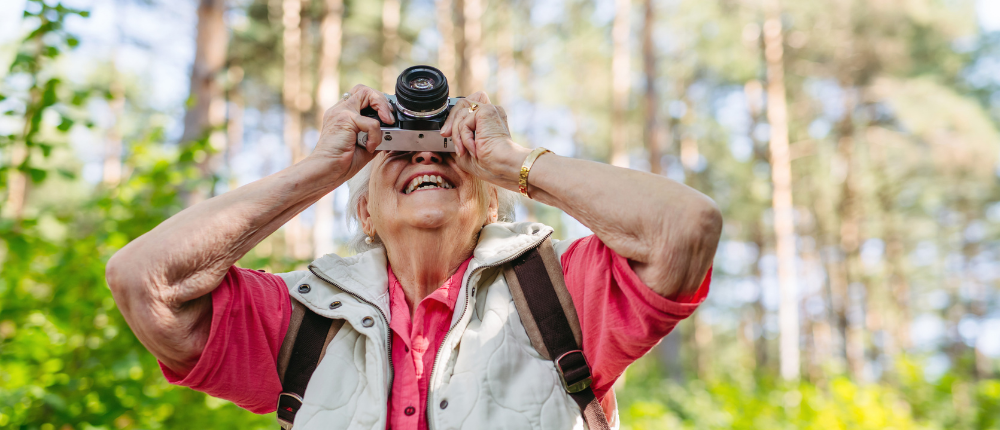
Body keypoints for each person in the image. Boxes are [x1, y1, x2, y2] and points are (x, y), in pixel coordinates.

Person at [106, 84, 722, 430]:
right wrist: (321, 168)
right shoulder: (303, 316)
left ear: (490, 204)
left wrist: (513, 161)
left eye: (448, 153)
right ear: (364, 213)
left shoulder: (560, 289)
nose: (426, 159)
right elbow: (143, 280)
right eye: (399, 153)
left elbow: (687, 226)